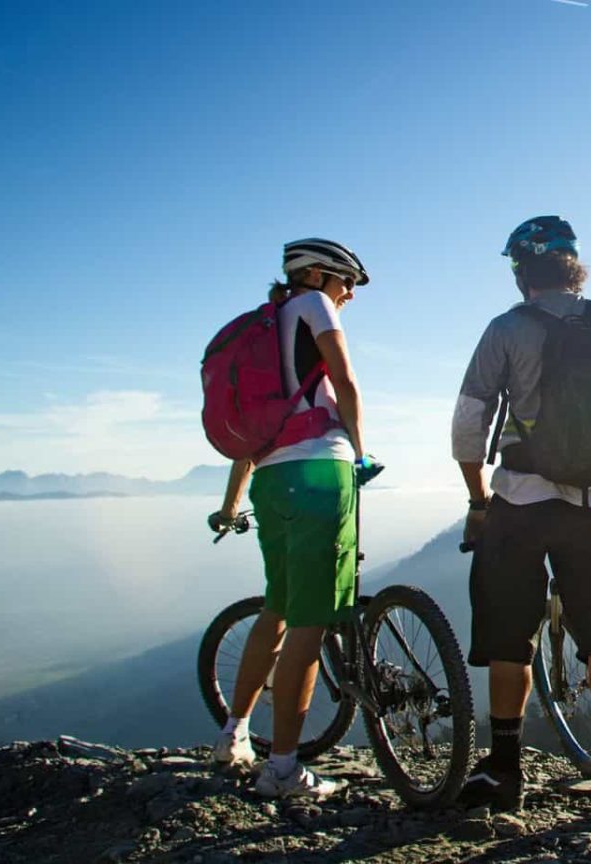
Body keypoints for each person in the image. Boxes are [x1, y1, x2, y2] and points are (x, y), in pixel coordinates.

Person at [451, 216, 591, 812]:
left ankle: (504, 775)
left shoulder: (506, 329)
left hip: (518, 506)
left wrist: (477, 499)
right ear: (575, 266)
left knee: (510, 642)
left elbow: (469, 425)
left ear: (523, 271)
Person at [207, 238, 379, 800]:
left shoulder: (267, 325)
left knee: (277, 607)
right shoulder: (314, 307)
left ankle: (234, 735)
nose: (349, 294)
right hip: (319, 474)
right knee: (311, 621)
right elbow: (347, 383)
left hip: (272, 479)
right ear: (320, 274)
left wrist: (233, 504)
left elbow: (251, 437)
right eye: (346, 281)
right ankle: (282, 769)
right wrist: (359, 452)